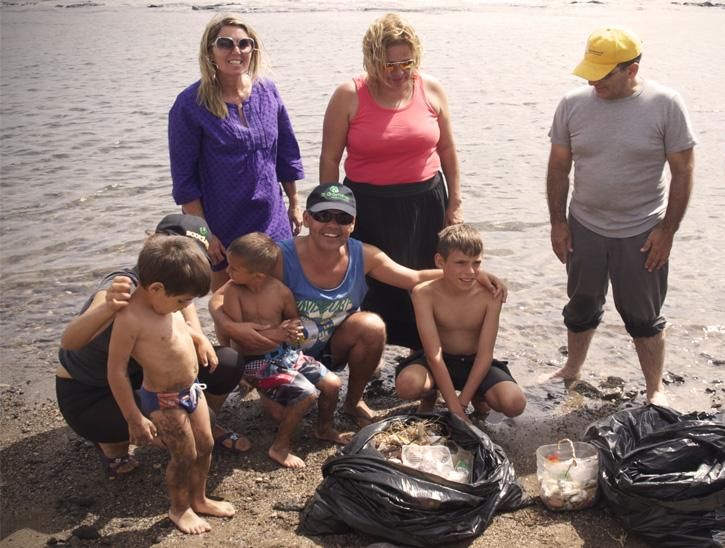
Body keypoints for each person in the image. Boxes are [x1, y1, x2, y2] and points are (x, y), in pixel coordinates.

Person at [210, 184, 505, 427]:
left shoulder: (364, 255)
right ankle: (268, 385)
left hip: (334, 346)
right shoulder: (280, 256)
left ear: (353, 224)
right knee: (276, 416)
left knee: (372, 325)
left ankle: (353, 402)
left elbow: (414, 277)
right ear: (308, 219)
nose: (332, 225)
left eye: (342, 218)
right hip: (285, 351)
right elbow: (218, 298)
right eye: (324, 216)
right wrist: (233, 327)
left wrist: (472, 274)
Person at [543, 27, 696, 404]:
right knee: (581, 304)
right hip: (584, 225)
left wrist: (668, 230)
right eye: (590, 71)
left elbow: (684, 171)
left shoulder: (665, 103)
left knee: (643, 317)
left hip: (642, 230)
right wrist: (558, 222)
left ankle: (654, 389)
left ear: (631, 69)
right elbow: (559, 168)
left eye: (603, 73)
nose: (593, 80)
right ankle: (573, 367)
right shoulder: (572, 103)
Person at [56, 214, 250, 481]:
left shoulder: (179, 280)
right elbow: (69, 342)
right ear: (154, 243)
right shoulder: (124, 286)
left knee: (225, 362)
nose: (180, 260)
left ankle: (207, 422)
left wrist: (199, 336)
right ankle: (112, 446)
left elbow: (189, 325)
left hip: (145, 378)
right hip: (91, 390)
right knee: (157, 427)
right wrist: (108, 308)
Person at [319, 12, 462, 350]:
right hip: (368, 207)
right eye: (389, 65)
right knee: (371, 289)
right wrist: (331, 214)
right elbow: (329, 159)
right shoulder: (349, 95)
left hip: (426, 204)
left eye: (406, 64)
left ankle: (422, 359)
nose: (399, 73)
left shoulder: (431, 89)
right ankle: (367, 359)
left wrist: (455, 203)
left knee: (427, 283)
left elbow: (448, 151)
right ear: (372, 60)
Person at [107, 234, 235, 535]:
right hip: (163, 398)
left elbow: (178, 328)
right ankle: (179, 509)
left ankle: (200, 498)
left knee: (206, 445)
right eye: (183, 301)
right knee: (184, 455)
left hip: (192, 390)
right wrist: (133, 417)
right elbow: (116, 371)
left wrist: (197, 336)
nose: (186, 305)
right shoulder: (130, 318)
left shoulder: (166, 302)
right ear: (155, 288)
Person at [169, 13, 304, 292]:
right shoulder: (189, 105)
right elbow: (184, 181)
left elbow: (287, 153)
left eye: (245, 43)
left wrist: (294, 202)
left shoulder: (268, 91)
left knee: (279, 294)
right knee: (227, 302)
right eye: (225, 43)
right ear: (210, 51)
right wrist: (205, 233)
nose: (236, 51)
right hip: (222, 224)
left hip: (272, 217)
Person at [218, 232, 351, 469]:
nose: (227, 272)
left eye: (234, 268)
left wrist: (293, 331)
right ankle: (279, 447)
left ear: (258, 275)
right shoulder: (233, 293)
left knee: (333, 384)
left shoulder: (280, 291)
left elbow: (294, 323)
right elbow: (242, 339)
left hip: (286, 355)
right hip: (256, 362)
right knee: (306, 394)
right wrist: (277, 334)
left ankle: (324, 428)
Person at [395, 224, 526, 420]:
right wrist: (454, 409)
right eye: (461, 263)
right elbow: (434, 355)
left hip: (475, 362)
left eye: (477, 263)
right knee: (407, 386)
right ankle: (431, 393)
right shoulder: (423, 293)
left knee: (515, 403)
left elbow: (484, 356)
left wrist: (461, 404)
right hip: (439, 360)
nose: (471, 271)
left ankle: (476, 395)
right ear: (440, 261)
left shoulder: (491, 296)